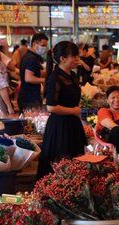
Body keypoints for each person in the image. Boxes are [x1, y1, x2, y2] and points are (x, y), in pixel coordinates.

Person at [37, 41, 87, 179]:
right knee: (60, 166)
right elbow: (51, 107)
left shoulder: (72, 75)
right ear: (62, 59)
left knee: (75, 164)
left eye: (78, 56)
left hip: (73, 125)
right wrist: (73, 111)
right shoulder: (55, 78)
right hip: (60, 127)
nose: (78, 59)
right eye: (74, 56)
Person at [18, 33, 48, 112]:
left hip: (26, 96)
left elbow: (33, 72)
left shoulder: (28, 56)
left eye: (45, 46)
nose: (44, 48)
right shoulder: (32, 58)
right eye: (43, 45)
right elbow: (29, 78)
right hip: (30, 99)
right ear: (34, 44)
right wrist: (45, 80)